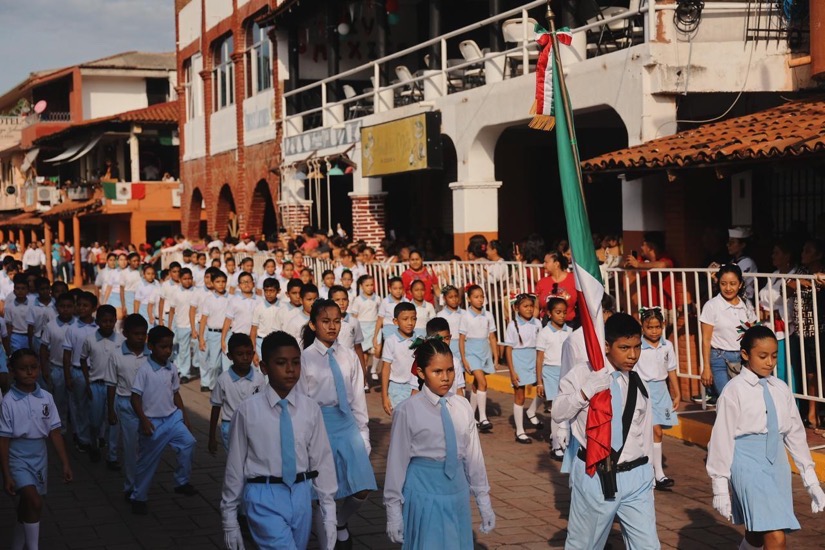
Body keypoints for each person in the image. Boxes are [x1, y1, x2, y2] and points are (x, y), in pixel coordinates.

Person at [707, 325, 825, 550]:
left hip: (777, 464)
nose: (769, 362)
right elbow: (721, 439)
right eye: (762, 356)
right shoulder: (734, 390)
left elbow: (795, 434)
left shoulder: (780, 388)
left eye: (773, 356)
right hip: (747, 463)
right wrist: (720, 485)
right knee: (775, 534)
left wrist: (810, 480)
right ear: (745, 355)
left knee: (757, 532)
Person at [220, 331, 338, 550]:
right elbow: (235, 466)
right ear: (264, 367)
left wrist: (329, 512)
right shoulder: (248, 411)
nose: (290, 369)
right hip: (263, 495)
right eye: (281, 363)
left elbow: (321, 460)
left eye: (295, 362)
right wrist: (229, 517)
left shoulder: (310, 409)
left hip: (301, 493)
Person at [553, 313, 659, 549]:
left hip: (636, 476)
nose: (632, 355)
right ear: (606, 346)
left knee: (648, 546)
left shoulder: (638, 382)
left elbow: (645, 434)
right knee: (585, 545)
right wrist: (584, 393)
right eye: (624, 347)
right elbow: (558, 412)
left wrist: (649, 476)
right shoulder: (583, 373)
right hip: (596, 473)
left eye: (637, 347)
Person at [384, 337, 495, 547]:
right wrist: (393, 510)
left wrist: (483, 501)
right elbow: (396, 463)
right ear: (421, 372)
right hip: (423, 492)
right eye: (437, 372)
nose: (445, 378)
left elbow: (474, 458)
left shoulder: (462, 406)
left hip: (457, 492)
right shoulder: (408, 410)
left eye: (450, 370)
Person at [299, 299, 376, 549]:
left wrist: (363, 434)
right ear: (313, 325)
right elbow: (301, 402)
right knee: (324, 497)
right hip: (318, 427)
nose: (332, 326)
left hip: (347, 425)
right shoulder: (305, 359)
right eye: (325, 321)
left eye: (336, 321)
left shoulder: (348, 356)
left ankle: (341, 522)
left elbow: (357, 397)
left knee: (362, 487)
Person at [0, 349, 73, 550]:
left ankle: (17, 544)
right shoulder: (8, 402)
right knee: (35, 502)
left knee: (28, 505)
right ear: (12, 371)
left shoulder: (46, 398)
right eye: (23, 369)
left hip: (39, 455)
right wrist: (6, 474)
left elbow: (55, 433)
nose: (30, 373)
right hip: (17, 456)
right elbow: (4, 440)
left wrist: (65, 463)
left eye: (33, 368)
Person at [129, 325, 197, 514]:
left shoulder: (172, 368)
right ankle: (138, 497)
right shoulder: (144, 370)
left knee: (189, 443)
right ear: (150, 346)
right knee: (147, 463)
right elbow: (134, 398)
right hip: (152, 422)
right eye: (163, 347)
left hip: (173, 418)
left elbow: (176, 394)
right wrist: (143, 420)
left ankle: (181, 481)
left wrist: (185, 418)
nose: (167, 351)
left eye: (169, 346)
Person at [105, 314, 150, 500]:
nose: (140, 338)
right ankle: (131, 485)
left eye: (143, 334)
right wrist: (110, 410)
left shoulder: (151, 354)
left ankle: (142, 483)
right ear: (125, 334)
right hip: (126, 404)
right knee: (131, 449)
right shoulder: (116, 355)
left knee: (147, 448)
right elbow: (111, 384)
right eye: (136, 334)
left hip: (148, 406)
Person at [635, 307, 680, 490]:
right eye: (649, 327)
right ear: (642, 327)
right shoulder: (637, 346)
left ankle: (656, 472)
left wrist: (676, 393)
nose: (654, 331)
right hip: (643, 390)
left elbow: (671, 370)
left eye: (657, 327)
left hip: (661, 391)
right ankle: (655, 474)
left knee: (658, 431)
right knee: (653, 431)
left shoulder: (667, 346)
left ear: (662, 325)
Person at [699, 264, 757, 398]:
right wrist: (706, 368)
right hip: (719, 360)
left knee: (745, 399)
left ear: (740, 284)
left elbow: (753, 335)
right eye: (723, 283)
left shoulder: (746, 305)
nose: (728, 288)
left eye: (733, 283)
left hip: (744, 359)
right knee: (727, 399)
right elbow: (706, 340)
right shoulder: (711, 306)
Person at [79, 305, 124, 466]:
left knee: (113, 420)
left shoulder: (121, 340)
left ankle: (112, 455)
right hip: (96, 385)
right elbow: (83, 359)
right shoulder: (90, 339)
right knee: (95, 421)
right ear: (97, 321)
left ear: (115, 321)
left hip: (115, 386)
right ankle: (94, 444)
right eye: (104, 321)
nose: (107, 324)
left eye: (111, 321)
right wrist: (87, 380)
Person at [208, 333, 266, 453]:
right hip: (230, 426)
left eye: (249, 353)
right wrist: (212, 437)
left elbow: (264, 405)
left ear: (253, 354)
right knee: (234, 462)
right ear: (230, 356)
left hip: (253, 425)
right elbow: (216, 407)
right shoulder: (223, 380)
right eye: (240, 354)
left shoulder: (259, 379)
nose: (245, 358)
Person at [536, 297, 573, 460]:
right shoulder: (544, 333)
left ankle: (565, 440)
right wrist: (539, 382)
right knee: (555, 409)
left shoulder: (570, 332)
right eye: (558, 312)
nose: (562, 316)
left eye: (564, 312)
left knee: (567, 408)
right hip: (550, 372)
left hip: (567, 371)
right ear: (549, 314)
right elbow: (539, 358)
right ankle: (557, 446)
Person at [62, 292, 99, 452]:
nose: (81, 308)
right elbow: (67, 354)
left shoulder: (99, 328)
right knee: (80, 406)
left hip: (96, 372)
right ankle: (83, 438)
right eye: (79, 305)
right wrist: (68, 375)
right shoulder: (72, 328)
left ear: (93, 308)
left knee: (97, 406)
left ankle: (98, 437)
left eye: (86, 305)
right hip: (77, 371)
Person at [504, 293, 543, 444]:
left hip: (534, 359)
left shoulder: (538, 324)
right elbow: (508, 349)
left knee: (543, 388)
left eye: (531, 306)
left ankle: (531, 411)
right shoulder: (512, 325)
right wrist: (512, 372)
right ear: (516, 308)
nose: (529, 309)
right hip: (519, 360)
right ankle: (520, 431)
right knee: (519, 396)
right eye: (525, 306)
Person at [459, 285, 498, 433]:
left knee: (476, 384)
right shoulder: (465, 316)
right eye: (476, 297)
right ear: (469, 299)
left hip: (484, 350)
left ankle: (471, 416)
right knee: (483, 382)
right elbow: (462, 339)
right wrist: (464, 358)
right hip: (471, 352)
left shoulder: (488, 315)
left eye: (482, 296)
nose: (480, 299)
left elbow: (492, 336)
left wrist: (495, 356)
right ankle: (483, 417)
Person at [39, 293, 75, 437]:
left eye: (69, 306)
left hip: (74, 368)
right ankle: (61, 428)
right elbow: (43, 348)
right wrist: (45, 369)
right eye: (62, 306)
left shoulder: (78, 324)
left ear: (74, 307)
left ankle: (78, 431)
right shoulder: (51, 325)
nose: (65, 309)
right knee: (59, 400)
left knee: (75, 402)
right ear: (57, 308)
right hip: (57, 368)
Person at [381, 302, 418, 414]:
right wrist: (384, 396)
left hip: (416, 388)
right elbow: (385, 369)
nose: (410, 323)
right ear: (395, 321)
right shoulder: (390, 341)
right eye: (405, 319)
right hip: (397, 389)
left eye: (413, 319)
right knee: (400, 424)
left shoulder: (420, 340)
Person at [197, 269, 231, 391]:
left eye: (223, 281)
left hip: (228, 333)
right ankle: (212, 386)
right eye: (217, 281)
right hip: (213, 334)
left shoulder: (231, 298)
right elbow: (204, 320)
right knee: (214, 364)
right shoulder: (209, 299)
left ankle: (226, 388)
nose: (221, 284)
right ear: (213, 283)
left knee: (227, 364)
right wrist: (201, 338)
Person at [329, 285, 367, 390]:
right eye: (337, 300)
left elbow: (358, 348)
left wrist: (363, 373)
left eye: (344, 299)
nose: (341, 303)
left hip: (350, 368)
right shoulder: (325, 322)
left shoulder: (354, 322)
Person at [350, 274, 381, 385]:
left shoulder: (377, 299)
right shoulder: (357, 300)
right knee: (364, 357)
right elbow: (354, 316)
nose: (370, 287)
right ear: (361, 286)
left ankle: (374, 370)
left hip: (374, 327)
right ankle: (365, 380)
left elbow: (379, 314)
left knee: (378, 349)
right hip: (362, 328)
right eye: (367, 285)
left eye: (371, 285)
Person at [711, 227, 758, 301]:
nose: (728, 245)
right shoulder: (732, 261)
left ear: (742, 245)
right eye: (728, 242)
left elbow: (733, 279)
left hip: (744, 300)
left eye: (732, 242)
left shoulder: (747, 262)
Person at [167, 268, 197, 383]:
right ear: (180, 280)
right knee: (183, 349)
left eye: (189, 278)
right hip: (181, 324)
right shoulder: (176, 293)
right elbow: (172, 310)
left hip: (195, 323)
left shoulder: (196, 291)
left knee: (197, 347)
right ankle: (184, 372)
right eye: (184, 279)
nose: (187, 281)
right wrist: (170, 325)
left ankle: (194, 365)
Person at [249, 278, 286, 366]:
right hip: (261, 343)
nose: (268, 294)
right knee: (263, 371)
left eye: (272, 291)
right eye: (266, 291)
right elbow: (253, 331)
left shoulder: (284, 307)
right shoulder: (259, 308)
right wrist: (254, 352)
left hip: (278, 343)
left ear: (278, 291)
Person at [535, 252, 578, 325]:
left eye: (546, 262)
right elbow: (536, 307)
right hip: (548, 324)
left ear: (556, 264)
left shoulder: (574, 279)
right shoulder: (542, 282)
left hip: (570, 324)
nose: (543, 265)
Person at [436, 285, 465, 392]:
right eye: (450, 297)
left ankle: (462, 403)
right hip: (448, 347)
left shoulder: (464, 313)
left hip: (462, 348)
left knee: (461, 378)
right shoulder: (440, 315)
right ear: (444, 298)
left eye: (456, 296)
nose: (454, 299)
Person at [26, 277, 54, 354]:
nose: (45, 291)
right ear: (37, 290)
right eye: (42, 289)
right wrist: (30, 344)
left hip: (54, 339)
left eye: (47, 288)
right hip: (38, 339)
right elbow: (30, 327)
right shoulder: (33, 307)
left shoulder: (56, 304)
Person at [6, 274, 32, 354]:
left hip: (30, 335)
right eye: (18, 288)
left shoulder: (32, 305)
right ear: (14, 291)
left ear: (28, 291)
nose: (20, 291)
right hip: (15, 336)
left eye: (23, 289)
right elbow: (8, 326)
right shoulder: (9, 307)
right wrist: (8, 342)